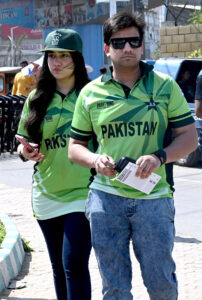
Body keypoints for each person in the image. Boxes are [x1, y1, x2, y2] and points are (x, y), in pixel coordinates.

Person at [68, 12, 198, 300]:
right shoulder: (90, 93)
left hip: (153, 200)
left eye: (133, 41)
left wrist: (160, 157)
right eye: (119, 42)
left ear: (142, 45)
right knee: (114, 287)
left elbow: (190, 138)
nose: (127, 48)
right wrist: (95, 160)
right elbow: (74, 147)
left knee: (161, 282)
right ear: (107, 48)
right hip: (105, 200)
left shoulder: (165, 86)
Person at [16, 29, 92, 300]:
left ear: (77, 59)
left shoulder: (91, 95)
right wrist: (26, 152)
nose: (57, 62)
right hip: (46, 194)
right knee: (58, 268)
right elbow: (23, 144)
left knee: (74, 264)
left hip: (83, 192)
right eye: (51, 56)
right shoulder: (36, 99)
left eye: (64, 56)